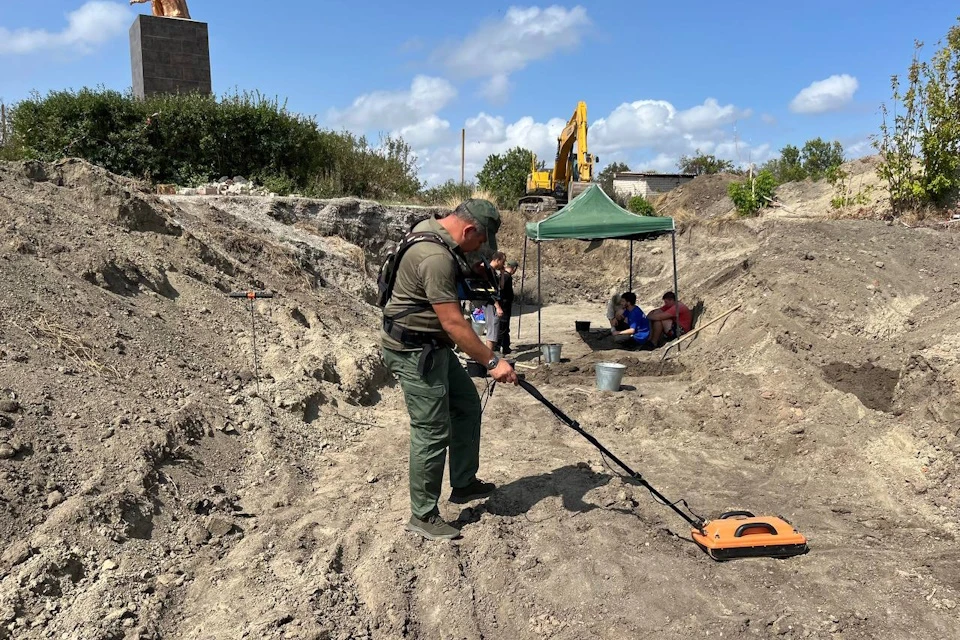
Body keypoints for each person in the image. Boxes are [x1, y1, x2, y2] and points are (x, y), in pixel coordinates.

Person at [381, 199, 518, 542]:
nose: (479, 251)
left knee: (467, 404)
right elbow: (454, 323)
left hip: (433, 344)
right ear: (468, 229)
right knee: (431, 429)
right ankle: (423, 515)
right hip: (415, 350)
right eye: (480, 242)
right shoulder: (435, 256)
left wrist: (474, 271)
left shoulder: (433, 230)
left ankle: (463, 482)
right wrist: (492, 362)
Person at [483, 252, 506, 353]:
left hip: (495, 302)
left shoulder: (494, 272)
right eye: (502, 262)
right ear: (497, 260)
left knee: (494, 330)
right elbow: (489, 291)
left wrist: (502, 274)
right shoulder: (488, 271)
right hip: (491, 303)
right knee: (492, 330)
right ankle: (488, 355)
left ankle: (490, 353)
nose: (503, 264)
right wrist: (497, 307)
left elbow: (501, 287)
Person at [497, 259, 518, 355]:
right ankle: (497, 348)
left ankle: (506, 347)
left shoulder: (506, 276)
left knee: (505, 327)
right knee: (502, 327)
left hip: (506, 305)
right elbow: (501, 289)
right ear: (514, 268)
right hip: (504, 305)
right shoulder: (505, 276)